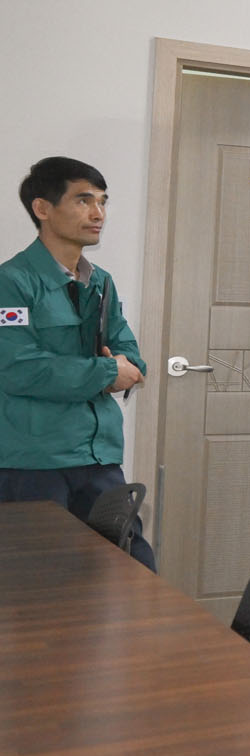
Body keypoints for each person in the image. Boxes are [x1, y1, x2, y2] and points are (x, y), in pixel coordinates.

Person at [0, 157, 153, 567]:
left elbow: (131, 355)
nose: (98, 213)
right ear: (42, 208)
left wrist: (122, 367)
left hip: (100, 457)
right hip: (35, 462)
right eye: (83, 200)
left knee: (133, 566)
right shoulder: (11, 282)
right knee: (42, 579)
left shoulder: (100, 281)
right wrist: (108, 371)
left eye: (103, 201)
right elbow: (20, 369)